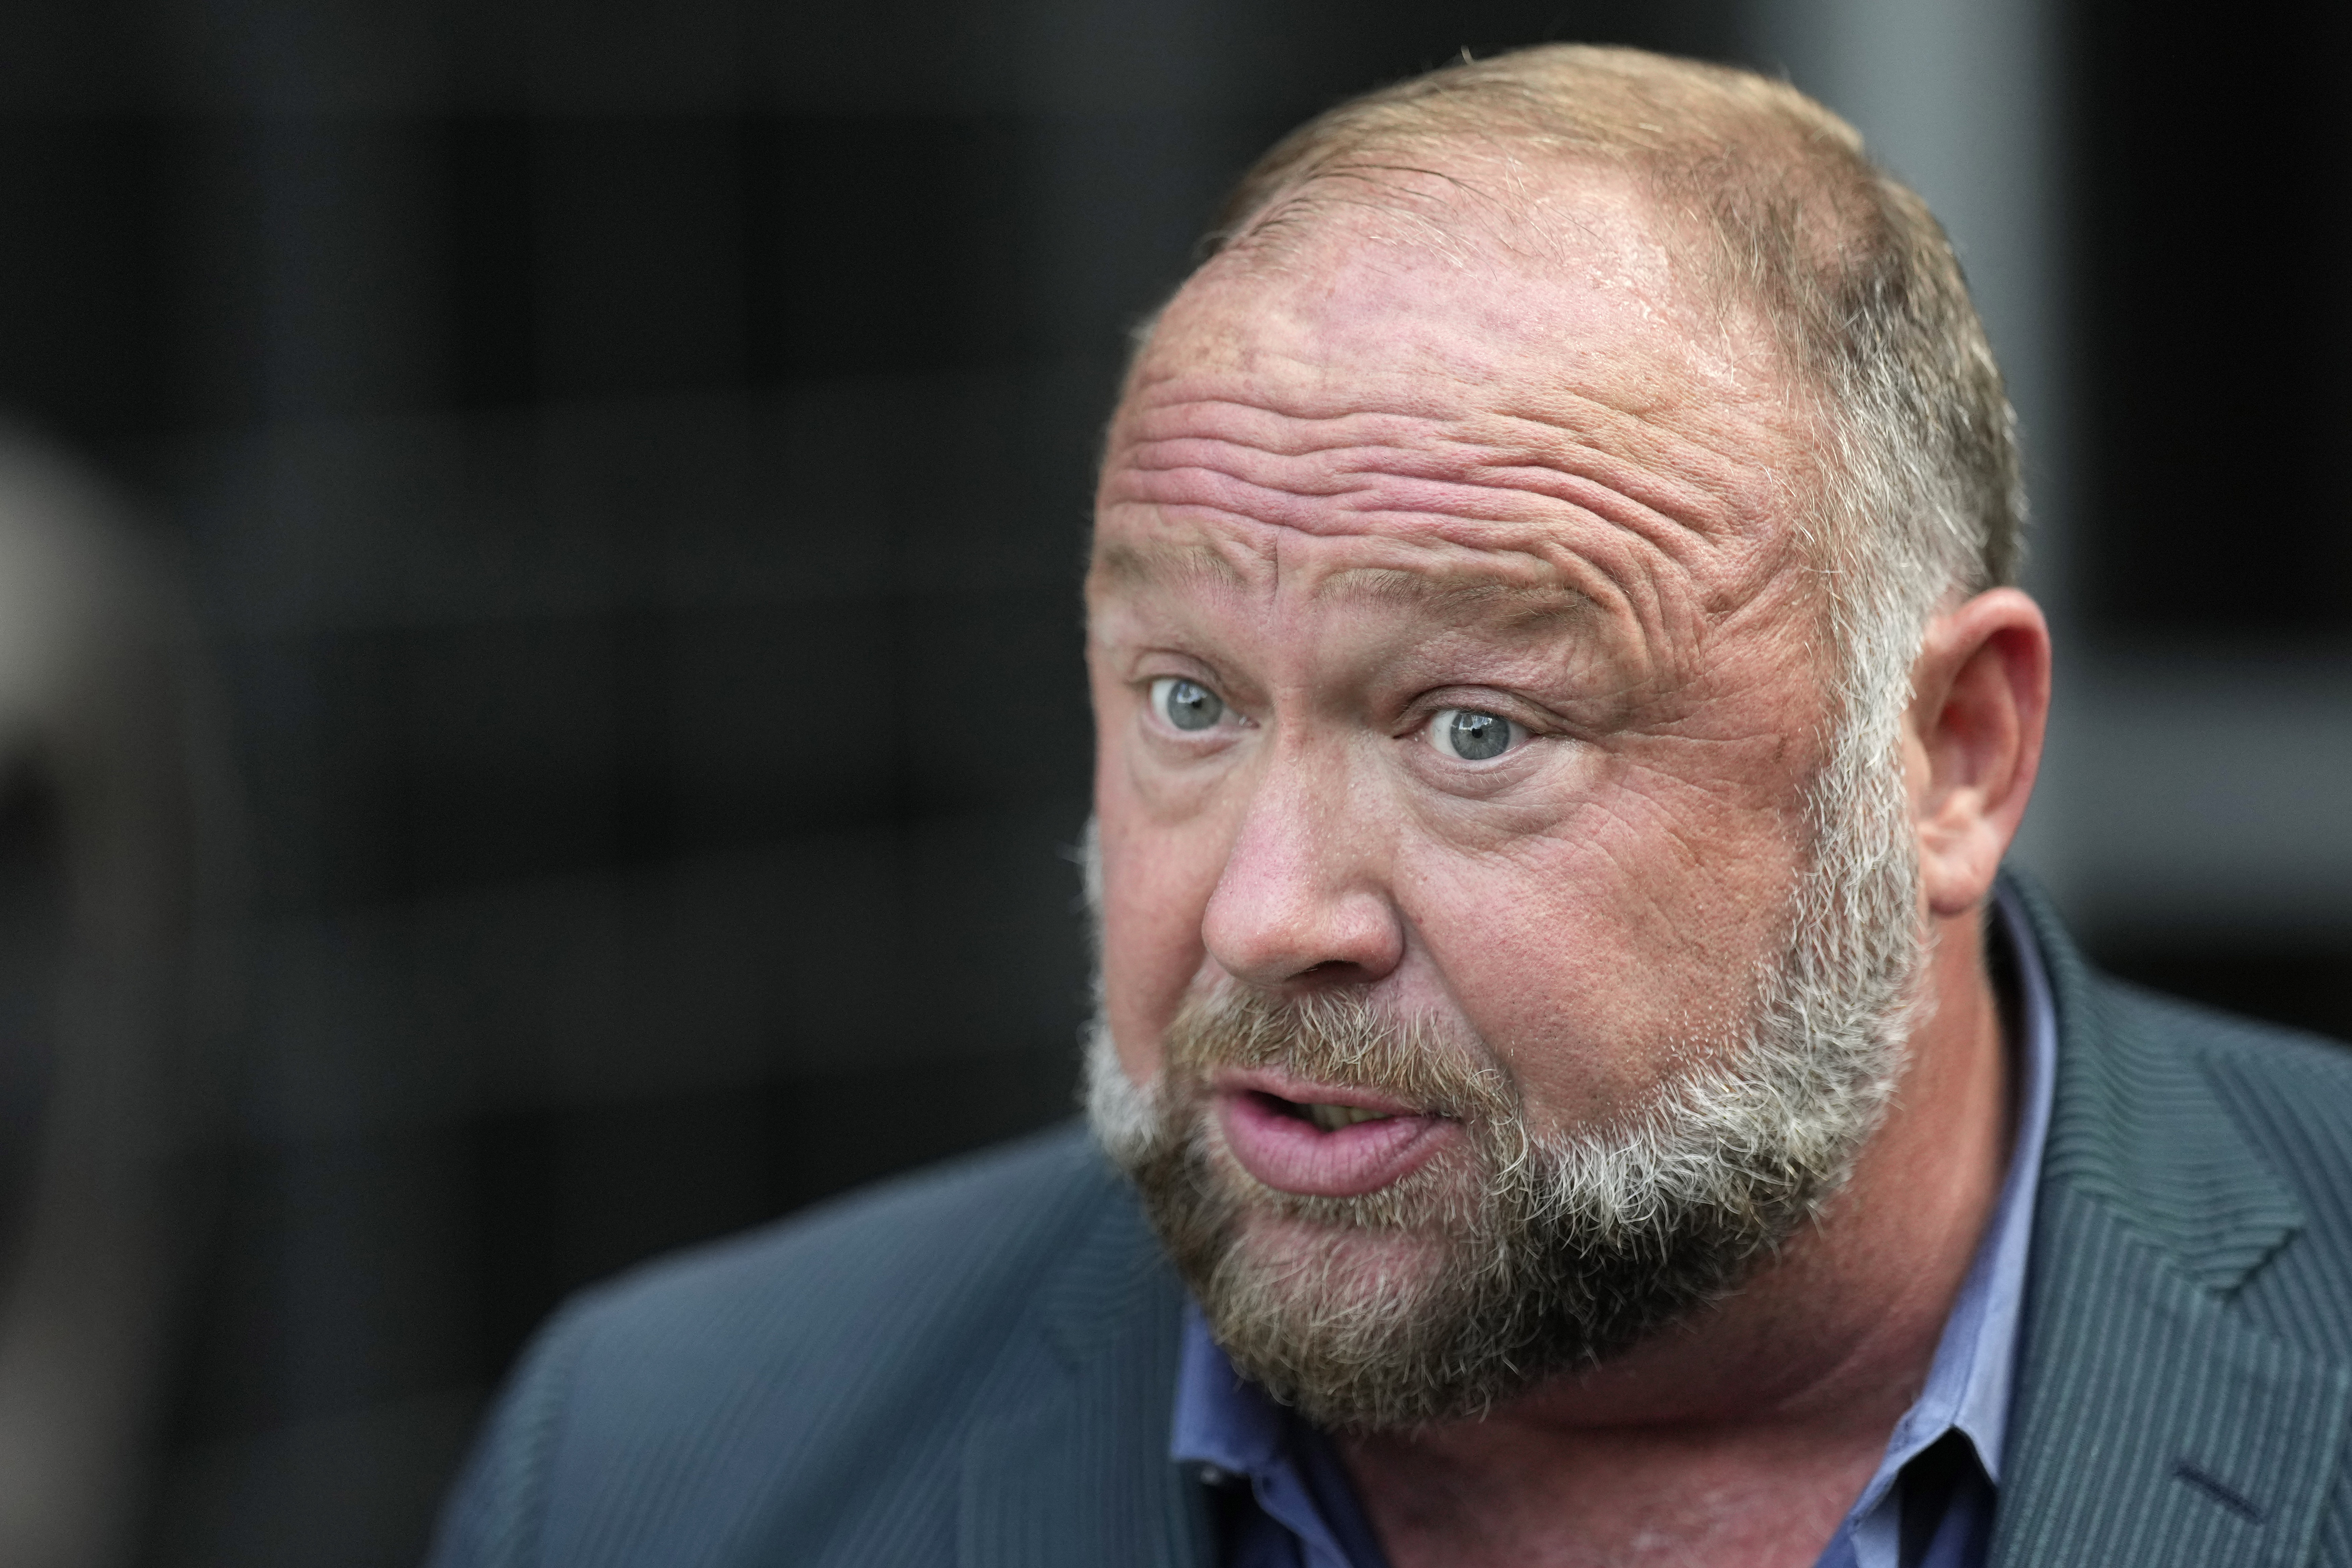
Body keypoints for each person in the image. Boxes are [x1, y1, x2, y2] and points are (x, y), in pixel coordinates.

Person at [428, 44, 2352, 1568]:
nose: (1266, 913)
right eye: (1187, 699)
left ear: (1950, 759)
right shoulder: (663, 1467)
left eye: (1475, 732)